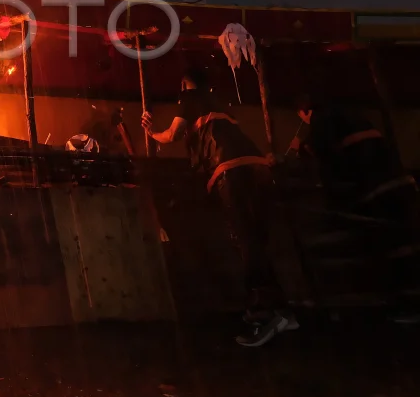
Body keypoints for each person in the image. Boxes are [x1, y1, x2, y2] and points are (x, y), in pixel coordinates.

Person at [142, 67, 297, 347]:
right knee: (257, 240)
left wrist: (151, 132)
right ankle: (282, 312)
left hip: (231, 171)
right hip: (257, 169)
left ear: (185, 84)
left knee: (246, 241)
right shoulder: (220, 104)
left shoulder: (189, 98)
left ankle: (266, 315)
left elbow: (173, 134)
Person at [293, 93, 419, 320]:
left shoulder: (321, 121)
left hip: (376, 190)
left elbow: (326, 160)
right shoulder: (354, 116)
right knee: (408, 242)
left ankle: (409, 305)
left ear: (305, 112)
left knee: (392, 248)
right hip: (401, 183)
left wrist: (300, 149)